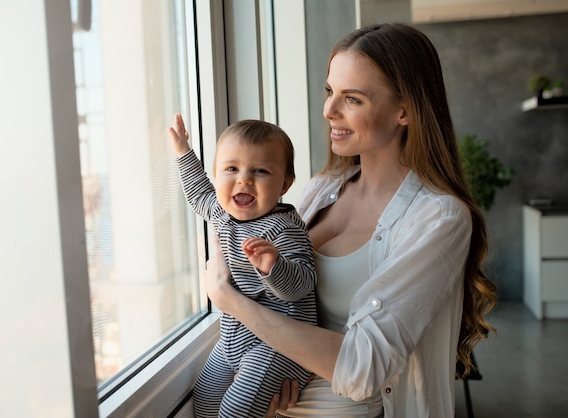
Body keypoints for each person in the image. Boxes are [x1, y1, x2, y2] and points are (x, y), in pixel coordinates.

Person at [202, 23, 497, 418]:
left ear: (404, 110)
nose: (328, 110)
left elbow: (362, 368)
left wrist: (230, 302)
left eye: (352, 99)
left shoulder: (438, 218)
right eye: (329, 91)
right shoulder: (320, 190)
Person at [168, 114, 317, 417]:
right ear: (216, 174)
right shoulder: (224, 215)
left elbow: (303, 284)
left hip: (279, 345)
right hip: (233, 342)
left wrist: (273, 267)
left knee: (235, 411)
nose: (244, 179)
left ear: (285, 184)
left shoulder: (282, 230)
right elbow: (199, 195)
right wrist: (184, 152)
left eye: (260, 171)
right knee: (206, 402)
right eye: (231, 169)